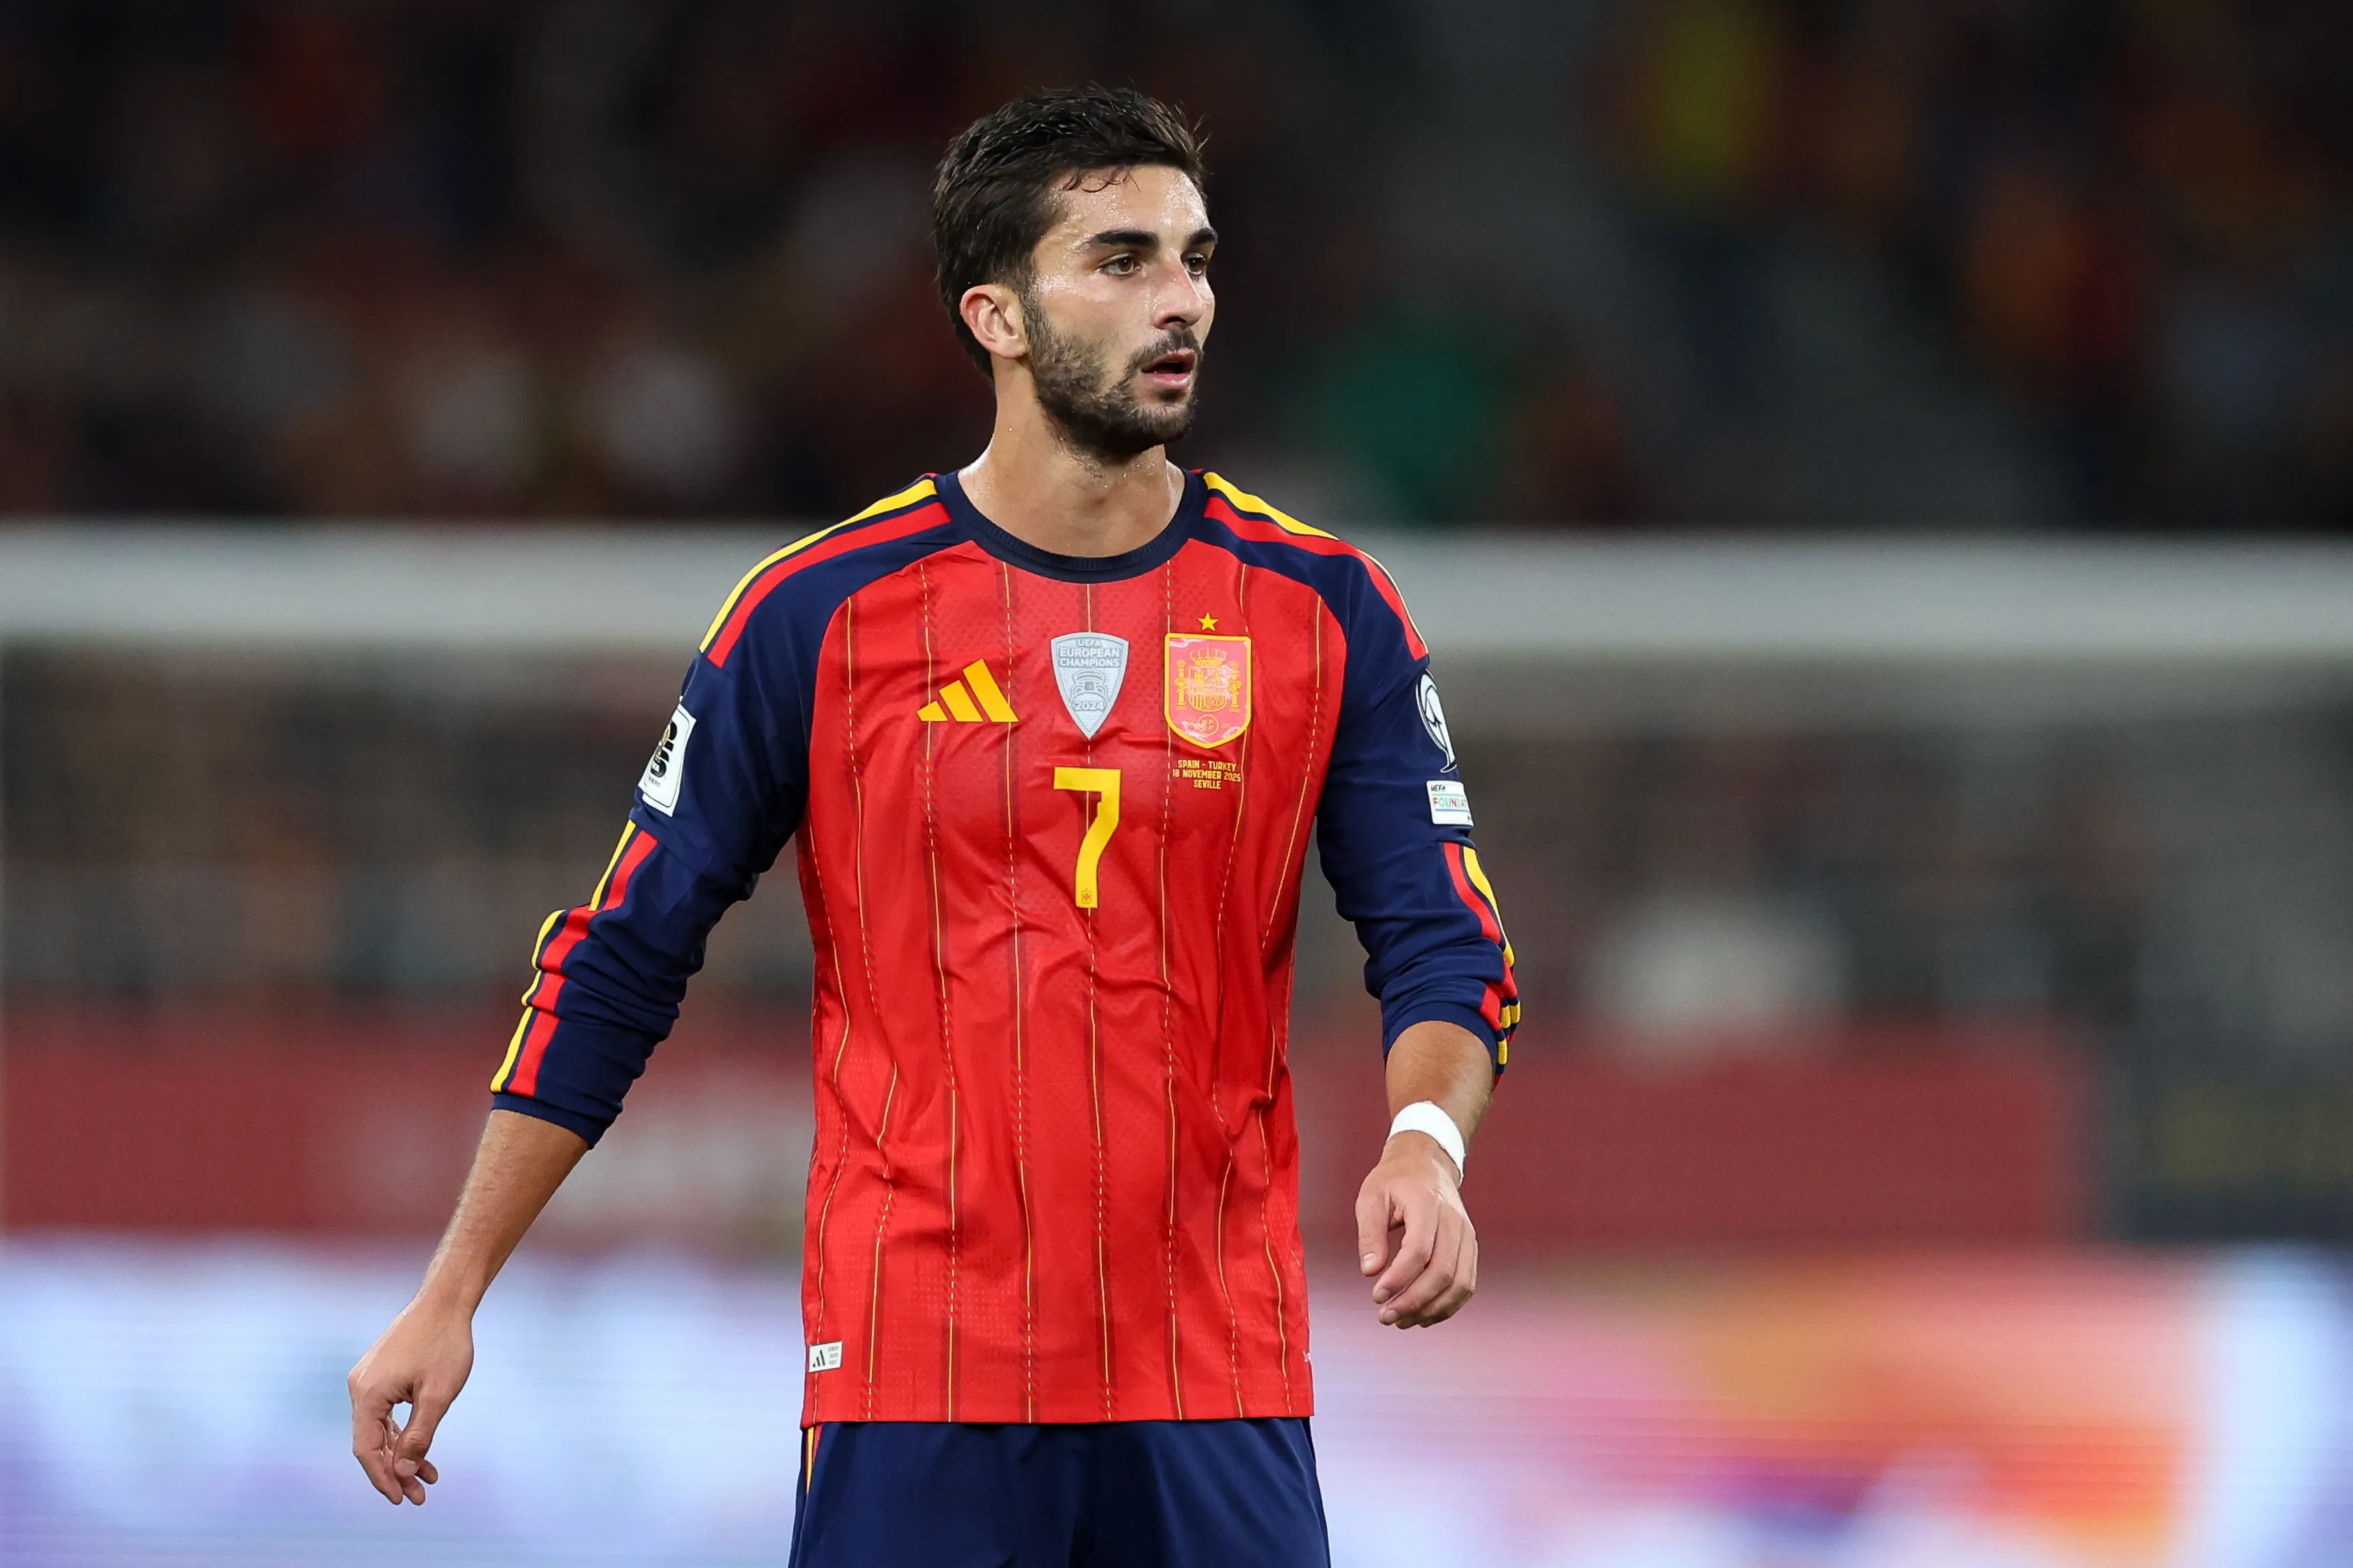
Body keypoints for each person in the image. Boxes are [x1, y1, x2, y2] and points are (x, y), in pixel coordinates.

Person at [348, 85, 1518, 1567]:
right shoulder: (815, 616)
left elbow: (1443, 938)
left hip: (1217, 1377)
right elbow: (622, 954)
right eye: (1120, 260)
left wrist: (1425, 1143)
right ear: (998, 315)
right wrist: (453, 1286)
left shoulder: (1322, 609)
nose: (1182, 303)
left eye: (1195, 257)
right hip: (916, 1378)